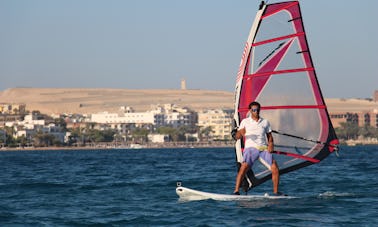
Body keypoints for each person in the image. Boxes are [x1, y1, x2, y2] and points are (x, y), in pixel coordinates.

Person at [231, 101, 281, 195]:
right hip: (250, 149)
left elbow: (269, 137)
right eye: (254, 110)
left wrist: (271, 145)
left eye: (257, 110)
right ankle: (236, 191)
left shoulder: (265, 122)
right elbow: (237, 137)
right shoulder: (245, 122)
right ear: (250, 111)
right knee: (243, 167)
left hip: (263, 149)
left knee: (275, 168)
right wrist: (239, 133)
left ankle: (276, 192)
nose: (256, 112)